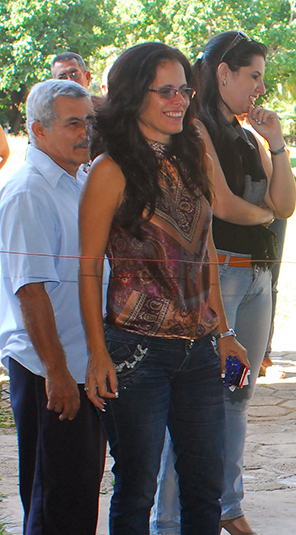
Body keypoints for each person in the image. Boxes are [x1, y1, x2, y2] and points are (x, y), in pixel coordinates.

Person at [79, 42, 247, 534]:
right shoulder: (109, 171)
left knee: (205, 489)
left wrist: (225, 332)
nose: (180, 101)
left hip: (199, 353)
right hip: (135, 353)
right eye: (166, 91)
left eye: (185, 91)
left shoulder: (193, 159)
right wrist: (96, 353)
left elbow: (207, 253)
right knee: (136, 488)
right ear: (135, 96)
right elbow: (87, 267)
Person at [149, 31, 296, 535]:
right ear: (223, 73)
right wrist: (265, 217)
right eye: (253, 75)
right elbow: (225, 205)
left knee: (238, 395)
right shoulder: (194, 126)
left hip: (258, 279)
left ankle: (227, 507)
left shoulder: (248, 132)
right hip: (222, 277)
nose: (259, 86)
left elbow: (288, 204)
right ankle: (168, 519)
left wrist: (276, 144)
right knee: (198, 405)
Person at [0, 79, 105, 534]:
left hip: (82, 367)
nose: (85, 132)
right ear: (38, 131)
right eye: (73, 123)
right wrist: (57, 373)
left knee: (78, 492)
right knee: (53, 501)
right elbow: (30, 291)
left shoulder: (77, 179)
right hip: (51, 371)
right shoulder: (29, 192)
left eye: (88, 121)